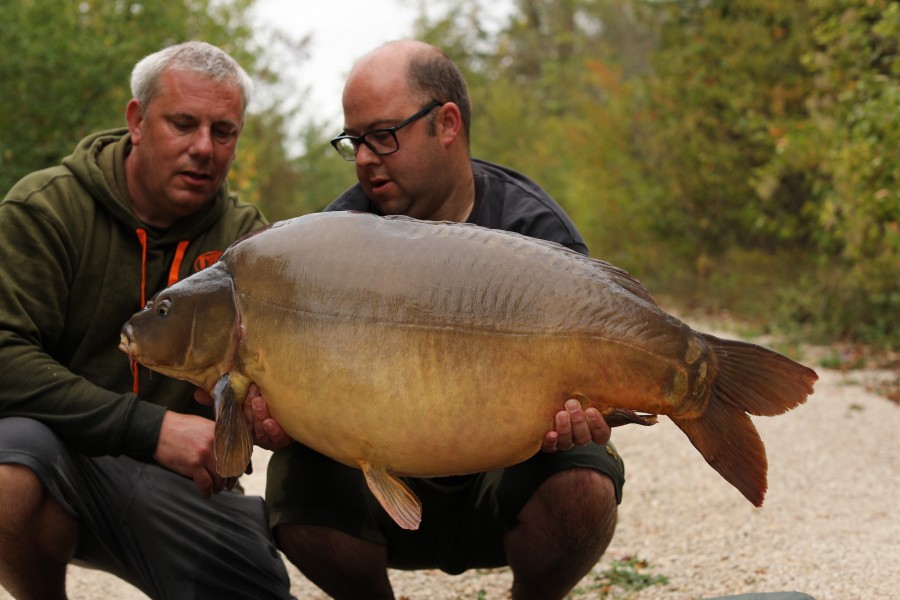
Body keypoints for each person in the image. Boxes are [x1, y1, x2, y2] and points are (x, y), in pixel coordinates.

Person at [261, 40, 626, 600]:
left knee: (585, 476)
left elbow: (597, 383)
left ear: (447, 124)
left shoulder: (532, 230)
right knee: (294, 480)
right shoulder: (332, 244)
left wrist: (592, 415)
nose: (363, 158)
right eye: (353, 141)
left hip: (500, 482)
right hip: (380, 486)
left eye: (382, 136)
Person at [0, 42, 293, 599]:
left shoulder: (252, 245)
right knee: (8, 469)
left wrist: (263, 414)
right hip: (61, 461)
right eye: (182, 124)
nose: (203, 148)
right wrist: (152, 428)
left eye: (223, 131)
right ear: (136, 121)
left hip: (186, 486)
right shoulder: (45, 210)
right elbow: (4, 356)